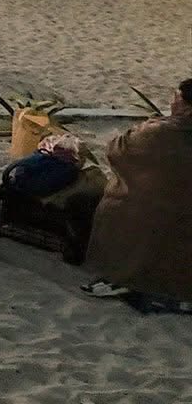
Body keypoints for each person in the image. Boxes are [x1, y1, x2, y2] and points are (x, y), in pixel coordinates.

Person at [82, 77, 192, 301]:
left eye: (177, 100)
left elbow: (116, 151)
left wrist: (152, 124)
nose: (172, 105)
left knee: (119, 204)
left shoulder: (159, 133)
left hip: (151, 227)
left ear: (187, 107)